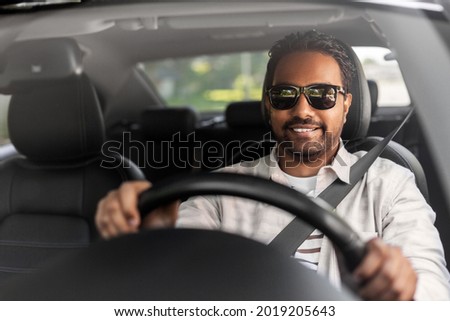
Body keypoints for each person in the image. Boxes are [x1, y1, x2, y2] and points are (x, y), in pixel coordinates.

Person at [95, 30, 450, 300]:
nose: (302, 110)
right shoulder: (222, 188)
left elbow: (432, 290)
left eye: (322, 95)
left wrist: (404, 289)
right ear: (269, 105)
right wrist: (160, 236)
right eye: (285, 95)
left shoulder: (390, 184)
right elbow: (183, 279)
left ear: (346, 105)